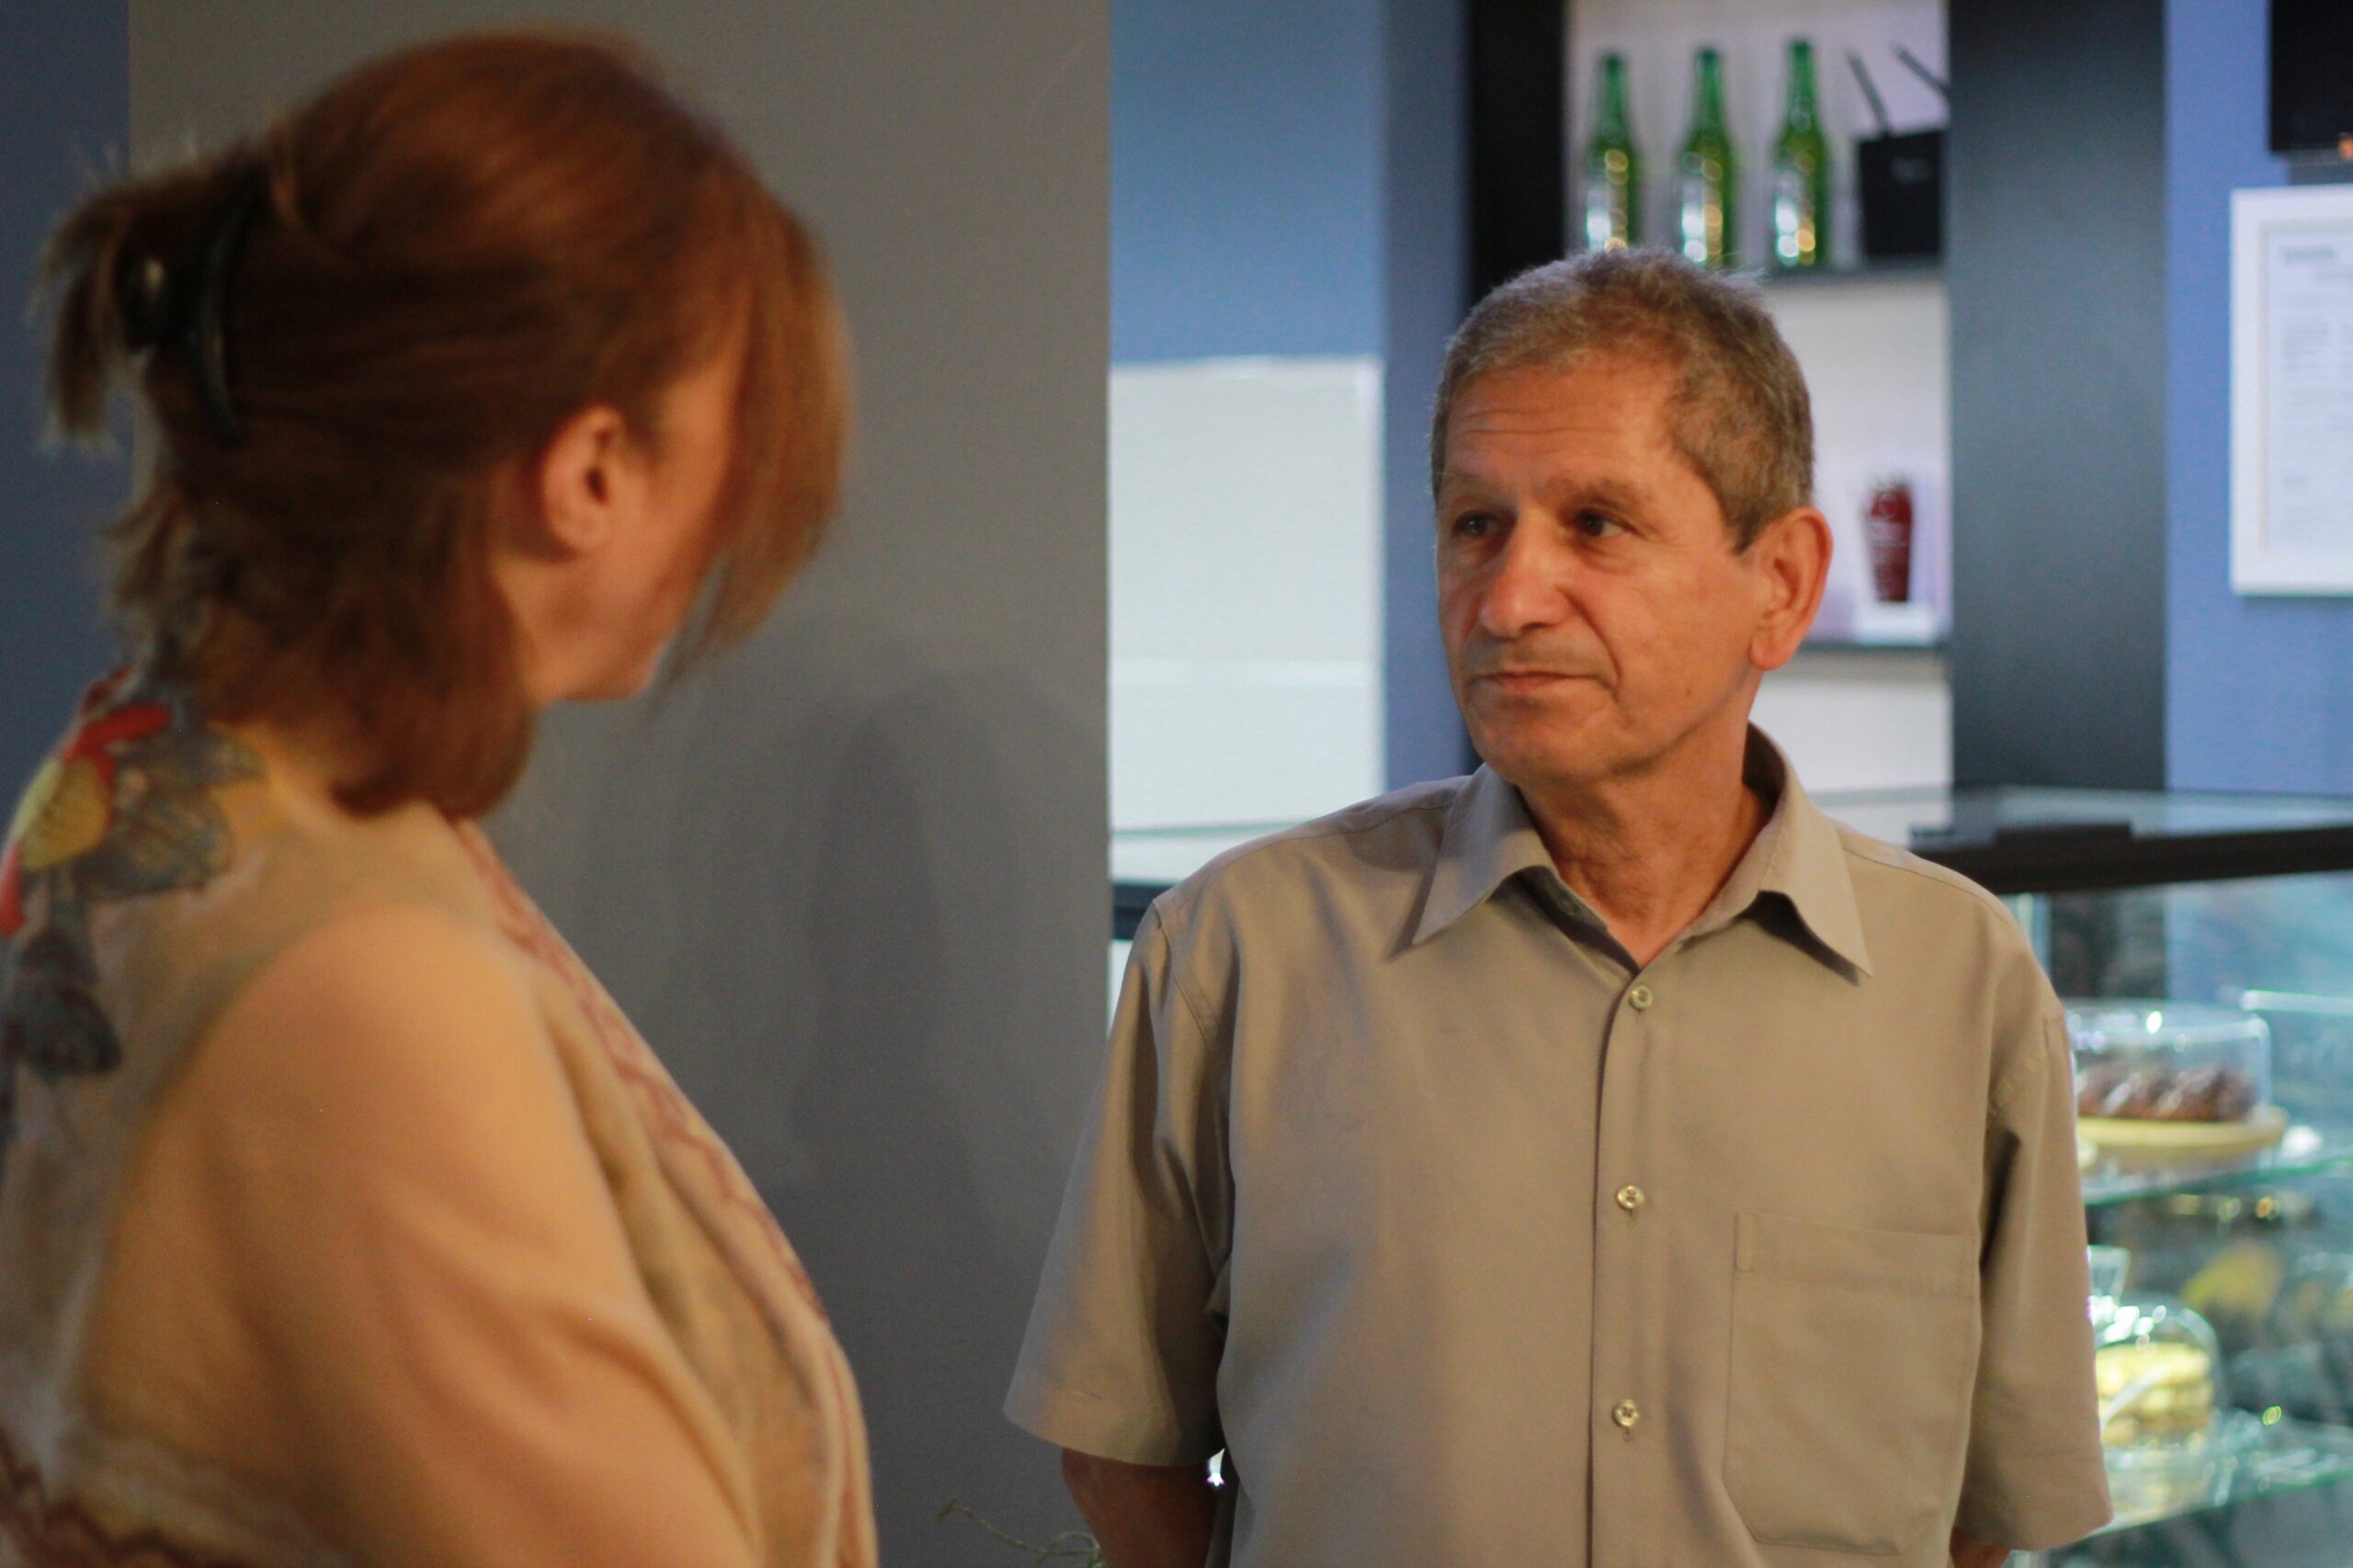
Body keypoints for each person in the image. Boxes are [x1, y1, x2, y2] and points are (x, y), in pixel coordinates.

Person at [1008, 250, 2110, 1568]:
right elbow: (1121, 1450)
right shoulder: (1243, 952)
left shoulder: (1962, 982)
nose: (1511, 599)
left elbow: (1985, 1512)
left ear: (1781, 584)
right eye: (1476, 525)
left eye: (1597, 524)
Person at [0, 31, 871, 1568]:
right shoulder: (365, 991)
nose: (747, 503)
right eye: (740, 423)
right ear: (590, 469)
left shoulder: (135, 764)